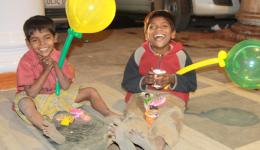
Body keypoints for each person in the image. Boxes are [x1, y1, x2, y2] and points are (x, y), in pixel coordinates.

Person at [14, 15, 118, 144]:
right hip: (37, 99)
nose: (42, 44)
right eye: (35, 40)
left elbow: (65, 86)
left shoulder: (59, 56)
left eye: (47, 38)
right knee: (25, 103)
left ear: (55, 38)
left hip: (58, 95)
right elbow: (31, 93)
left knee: (90, 91)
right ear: (28, 43)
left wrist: (56, 65)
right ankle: (47, 127)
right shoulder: (26, 61)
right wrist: (46, 70)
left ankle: (107, 113)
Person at [116, 10, 197, 150]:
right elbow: (127, 81)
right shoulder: (140, 53)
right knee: (134, 113)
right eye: (152, 27)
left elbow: (191, 84)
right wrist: (143, 81)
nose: (158, 29)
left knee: (170, 118)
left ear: (173, 33)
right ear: (146, 35)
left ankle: (157, 144)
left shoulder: (181, 55)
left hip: (171, 97)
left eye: (164, 26)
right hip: (143, 96)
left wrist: (173, 79)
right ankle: (130, 139)